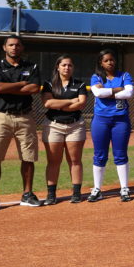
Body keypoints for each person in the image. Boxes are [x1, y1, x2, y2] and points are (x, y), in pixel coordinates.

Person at [0, 34, 42, 212]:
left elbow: (34, 88)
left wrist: (10, 86)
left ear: (22, 48)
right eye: (10, 45)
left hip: (25, 116)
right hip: (1, 117)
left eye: (17, 45)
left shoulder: (32, 66)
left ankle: (27, 194)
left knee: (28, 157)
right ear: (4, 47)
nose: (14, 48)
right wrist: (21, 84)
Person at [40, 55, 87, 206]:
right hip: (53, 125)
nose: (67, 68)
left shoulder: (80, 84)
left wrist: (59, 104)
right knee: (54, 161)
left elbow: (81, 104)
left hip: (75, 125)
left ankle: (76, 193)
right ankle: (51, 194)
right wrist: (70, 101)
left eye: (70, 65)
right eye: (64, 65)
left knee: (75, 160)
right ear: (57, 67)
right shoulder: (49, 84)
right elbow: (48, 103)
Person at [89, 48, 134, 202]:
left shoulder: (124, 75)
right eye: (106, 60)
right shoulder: (96, 77)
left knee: (120, 154)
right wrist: (117, 89)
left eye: (112, 59)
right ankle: (97, 189)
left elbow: (128, 93)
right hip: (101, 120)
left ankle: (124, 188)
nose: (110, 62)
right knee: (99, 155)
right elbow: (98, 94)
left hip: (120, 120)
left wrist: (108, 91)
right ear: (101, 63)